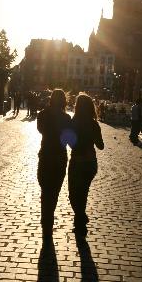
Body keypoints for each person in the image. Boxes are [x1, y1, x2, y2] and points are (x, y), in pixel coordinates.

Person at [37, 88, 72, 240]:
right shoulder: (66, 118)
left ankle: (45, 221)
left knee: (45, 191)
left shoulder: (42, 114)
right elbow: (69, 140)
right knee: (54, 192)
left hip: (45, 156)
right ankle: (49, 220)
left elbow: (40, 130)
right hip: (59, 158)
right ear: (64, 100)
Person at [68, 93, 104, 237]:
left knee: (73, 194)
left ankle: (80, 222)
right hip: (90, 163)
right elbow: (100, 146)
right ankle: (81, 219)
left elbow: (68, 142)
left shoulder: (73, 121)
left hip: (77, 162)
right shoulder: (93, 123)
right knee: (82, 193)